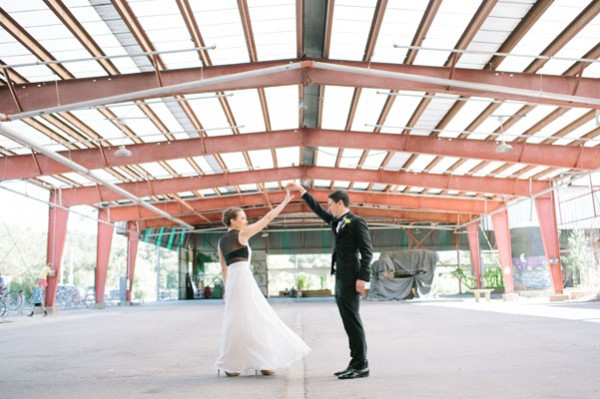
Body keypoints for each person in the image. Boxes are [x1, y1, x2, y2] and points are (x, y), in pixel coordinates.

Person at [215, 190, 310, 377]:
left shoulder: (220, 242)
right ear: (232, 221)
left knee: (237, 321)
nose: (246, 221)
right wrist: (284, 202)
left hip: (233, 282)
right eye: (242, 218)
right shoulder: (240, 234)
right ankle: (264, 362)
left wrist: (226, 290)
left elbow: (224, 268)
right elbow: (267, 218)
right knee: (258, 317)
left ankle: (234, 364)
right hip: (242, 279)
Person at [287, 183, 373, 380]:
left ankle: (361, 365)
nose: (328, 208)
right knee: (347, 321)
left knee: (353, 321)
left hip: (352, 278)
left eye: (330, 205)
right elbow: (318, 210)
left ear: (340, 203)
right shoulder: (337, 221)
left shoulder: (356, 222)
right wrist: (302, 191)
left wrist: (362, 278)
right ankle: (355, 362)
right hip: (340, 277)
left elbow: (367, 252)